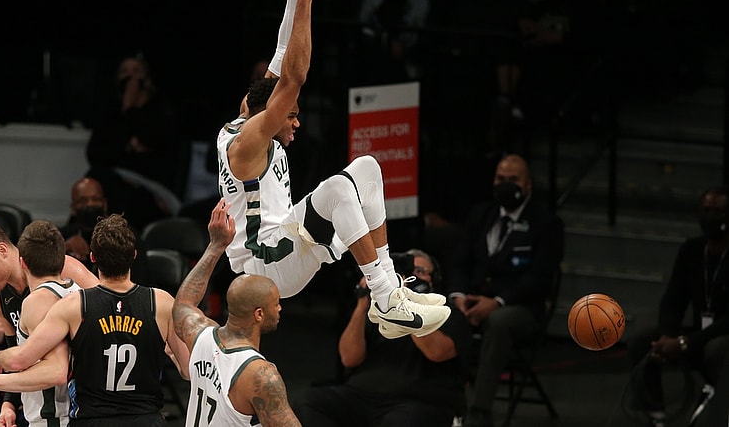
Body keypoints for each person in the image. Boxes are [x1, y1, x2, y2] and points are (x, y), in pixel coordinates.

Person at [217, 0, 450, 341]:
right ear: (269, 115)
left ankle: (388, 291)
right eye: (290, 115)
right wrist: (310, 1)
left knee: (367, 168)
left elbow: (282, 53)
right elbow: (294, 76)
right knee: (340, 187)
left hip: (283, 246)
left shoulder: (246, 117)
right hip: (266, 266)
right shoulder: (248, 144)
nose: (297, 123)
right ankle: (386, 298)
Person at [0, 213, 191, 427]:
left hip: (93, 419)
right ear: (134, 255)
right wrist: (167, 348)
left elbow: (22, 359)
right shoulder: (162, 302)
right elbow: (187, 370)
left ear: (92, 257)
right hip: (146, 418)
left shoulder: (74, 305)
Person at [446, 153, 564, 427]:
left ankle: (478, 412)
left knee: (498, 323)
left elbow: (540, 279)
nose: (505, 184)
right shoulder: (480, 214)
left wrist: (497, 301)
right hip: (473, 299)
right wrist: (459, 297)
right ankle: (450, 401)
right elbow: (460, 264)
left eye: (513, 180)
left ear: (528, 185)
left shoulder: (546, 224)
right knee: (443, 312)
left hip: (521, 308)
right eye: (501, 178)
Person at [293, 248, 471, 427]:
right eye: (405, 271)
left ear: (434, 280)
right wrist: (362, 303)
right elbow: (349, 358)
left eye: (420, 272)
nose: (411, 276)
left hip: (418, 400)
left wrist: (405, 305)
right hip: (362, 394)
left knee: (400, 421)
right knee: (307, 402)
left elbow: (437, 352)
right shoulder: (376, 312)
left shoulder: (448, 313)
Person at [0, 219, 99, 427]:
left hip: (80, 403)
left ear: (2, 250)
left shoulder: (63, 268)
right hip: (41, 406)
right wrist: (9, 405)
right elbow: (16, 348)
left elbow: (111, 309)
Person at [172, 198, 301, 426]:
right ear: (258, 314)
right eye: (276, 303)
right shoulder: (261, 376)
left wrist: (216, 246)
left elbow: (183, 303)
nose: (280, 308)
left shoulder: (201, 336)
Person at [627, 185, 729, 427]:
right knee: (643, 339)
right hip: (697, 332)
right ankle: (656, 416)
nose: (710, 217)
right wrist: (666, 336)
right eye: (705, 210)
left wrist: (685, 343)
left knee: (717, 349)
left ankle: (718, 410)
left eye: (718, 211)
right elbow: (674, 298)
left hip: (721, 335)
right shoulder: (691, 250)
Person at [86, 54, 182, 232]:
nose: (130, 79)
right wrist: (126, 111)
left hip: (152, 186)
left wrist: (130, 110)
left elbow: (155, 151)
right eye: (124, 72)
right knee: (95, 182)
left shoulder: (161, 111)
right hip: (117, 178)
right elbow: (96, 154)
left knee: (125, 196)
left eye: (137, 72)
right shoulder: (113, 113)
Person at [58, 176, 148, 286]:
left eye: (95, 199)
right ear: (73, 207)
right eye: (83, 200)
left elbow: (141, 279)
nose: (90, 204)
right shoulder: (61, 237)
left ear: (104, 203)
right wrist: (63, 248)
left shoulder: (125, 235)